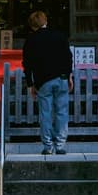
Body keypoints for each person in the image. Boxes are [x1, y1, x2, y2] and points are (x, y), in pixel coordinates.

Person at [22, 10, 73, 156]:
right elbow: (68, 57)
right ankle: (60, 145)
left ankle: (48, 146)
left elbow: (27, 64)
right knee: (62, 112)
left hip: (43, 81)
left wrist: (30, 83)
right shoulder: (59, 36)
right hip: (61, 78)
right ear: (45, 21)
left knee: (45, 113)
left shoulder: (31, 40)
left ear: (32, 25)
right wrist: (69, 75)